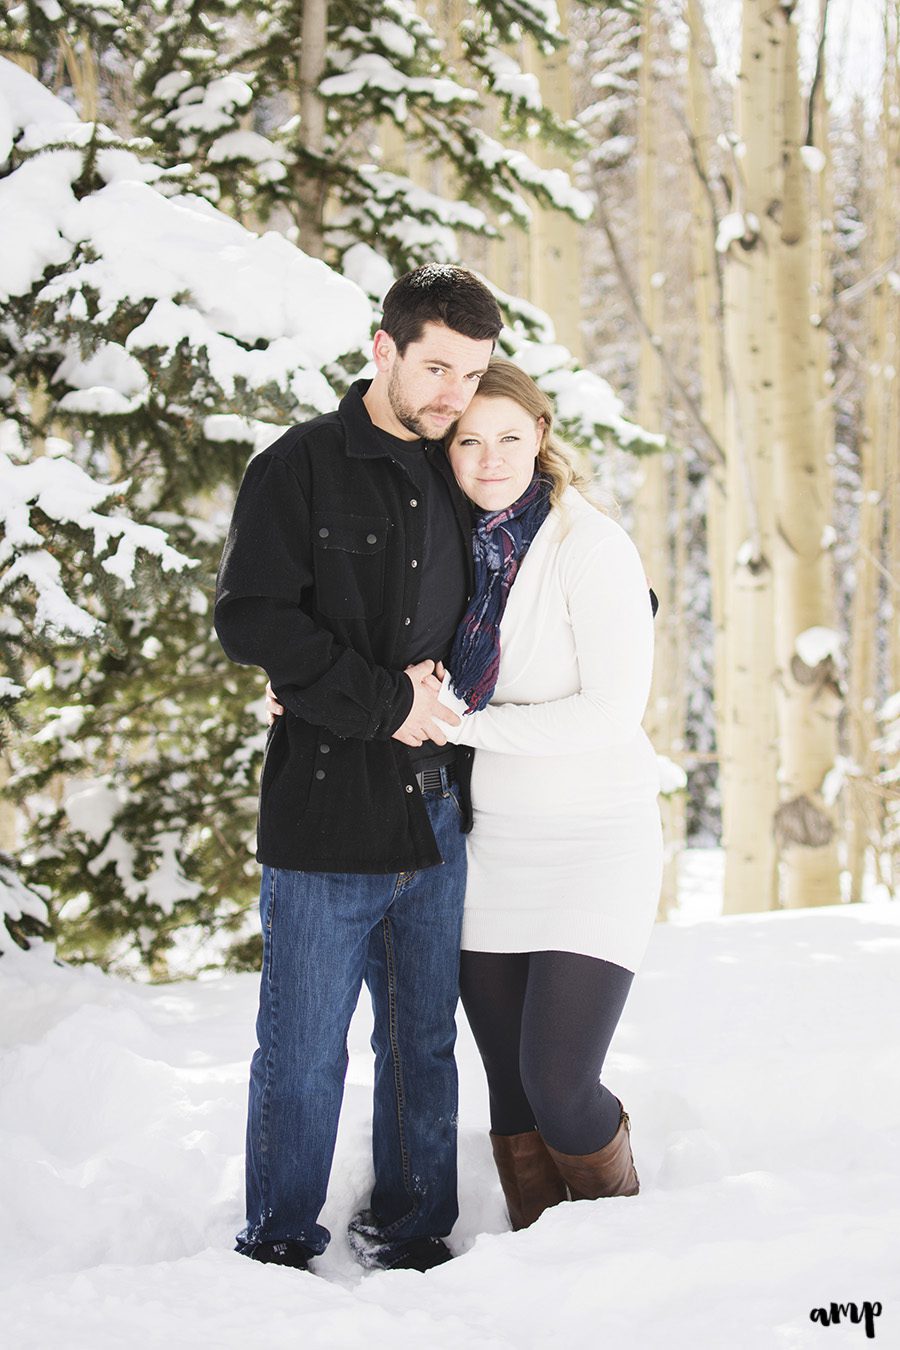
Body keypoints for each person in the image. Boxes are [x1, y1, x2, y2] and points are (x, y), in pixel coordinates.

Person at [268, 359, 663, 1234]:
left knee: (561, 1084)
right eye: (469, 441)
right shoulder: (444, 542)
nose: (490, 460)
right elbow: (370, 637)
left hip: (596, 840)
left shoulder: (589, 545)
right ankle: (539, 1267)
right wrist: (302, 687)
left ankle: (622, 1244)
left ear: (542, 439)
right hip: (490, 850)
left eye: (510, 439)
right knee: (514, 1098)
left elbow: (609, 713)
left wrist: (454, 722)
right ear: (445, 450)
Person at [214, 265, 503, 1274]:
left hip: (435, 819)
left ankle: (415, 1230)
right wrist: (388, 703)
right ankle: (280, 1241)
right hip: (324, 816)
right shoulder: (296, 466)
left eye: (472, 375)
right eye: (436, 369)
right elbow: (250, 616)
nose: (454, 397)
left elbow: (524, 592)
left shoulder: (465, 470)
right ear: (383, 349)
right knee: (300, 1055)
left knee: (422, 1047)